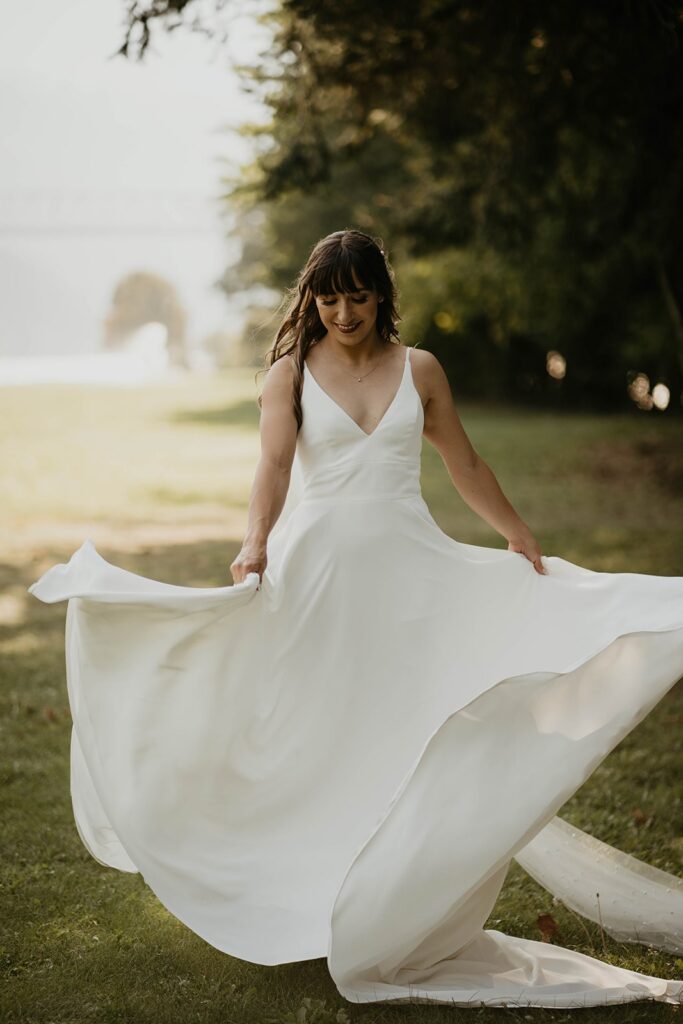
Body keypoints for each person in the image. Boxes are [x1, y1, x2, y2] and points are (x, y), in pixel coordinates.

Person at [28, 229, 683, 1009]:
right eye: (327, 297)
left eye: (357, 296)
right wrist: (253, 544)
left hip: (408, 575)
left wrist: (513, 529)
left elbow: (462, 462)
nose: (342, 312)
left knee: (403, 728)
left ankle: (389, 901)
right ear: (311, 300)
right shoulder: (290, 375)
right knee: (315, 732)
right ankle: (302, 894)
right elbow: (272, 467)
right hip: (317, 579)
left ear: (382, 296)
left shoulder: (422, 371)